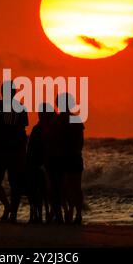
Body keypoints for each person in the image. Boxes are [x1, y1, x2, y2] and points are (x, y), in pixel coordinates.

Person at [0, 81, 28, 223]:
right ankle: (13, 214)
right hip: (16, 151)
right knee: (15, 184)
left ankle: (6, 205)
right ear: (15, 92)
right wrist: (24, 152)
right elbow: (23, 131)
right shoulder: (20, 107)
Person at [55, 93, 84, 224]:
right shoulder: (76, 119)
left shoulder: (56, 121)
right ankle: (77, 214)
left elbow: (53, 141)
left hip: (62, 157)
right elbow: (81, 141)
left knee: (64, 187)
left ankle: (68, 212)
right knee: (76, 187)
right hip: (75, 156)